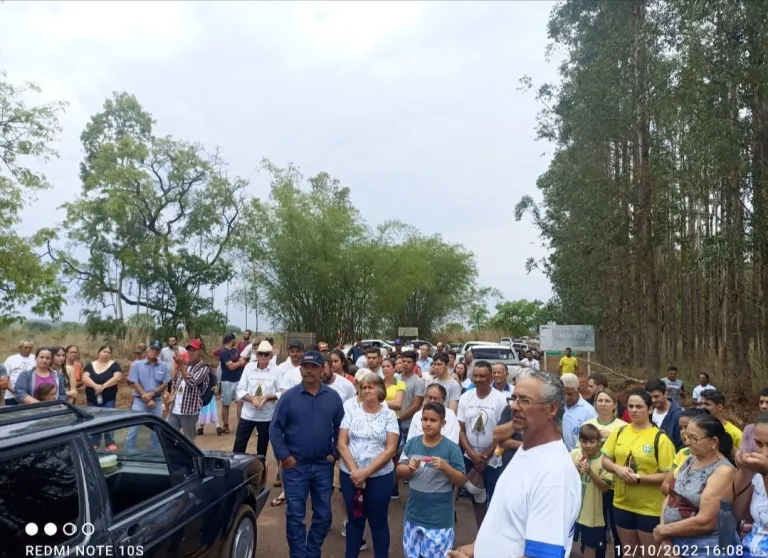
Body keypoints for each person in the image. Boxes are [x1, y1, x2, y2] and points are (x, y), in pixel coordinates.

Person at [448, 369, 582, 558]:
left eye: (525, 401)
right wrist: (476, 548)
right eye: (514, 399)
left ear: (551, 409)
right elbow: (509, 523)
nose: (514, 407)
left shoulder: (555, 476)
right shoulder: (526, 451)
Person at [269, 350, 344, 558]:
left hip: (323, 465)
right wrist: (285, 457)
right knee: (295, 516)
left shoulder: (333, 397)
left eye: (313, 367)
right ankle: (299, 555)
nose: (309, 371)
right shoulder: (288, 397)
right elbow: (275, 429)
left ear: (322, 370)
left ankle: (312, 552)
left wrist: (335, 453)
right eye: (305, 367)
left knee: (323, 515)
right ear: (300, 369)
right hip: (295, 466)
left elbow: (341, 428)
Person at [601, 389, 676, 556]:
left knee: (651, 554)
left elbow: (668, 475)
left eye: (639, 406)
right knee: (629, 552)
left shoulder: (660, 438)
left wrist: (639, 478)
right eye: (630, 406)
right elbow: (605, 459)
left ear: (649, 409)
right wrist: (617, 469)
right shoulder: (620, 432)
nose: (634, 410)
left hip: (650, 508)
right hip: (621, 503)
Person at [338, 373, 399, 558]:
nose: (366, 390)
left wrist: (365, 473)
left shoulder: (389, 415)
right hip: (351, 476)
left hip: (379, 477)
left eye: (370, 387)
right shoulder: (351, 411)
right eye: (364, 387)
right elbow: (342, 443)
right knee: (354, 520)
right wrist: (356, 472)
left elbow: (390, 450)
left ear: (380, 390)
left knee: (378, 521)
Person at [654, 413, 735, 552]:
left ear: (713, 442)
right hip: (674, 539)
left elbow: (706, 522)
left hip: (704, 547)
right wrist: (665, 536)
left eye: (693, 438)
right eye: (686, 436)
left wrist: (664, 531)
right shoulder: (689, 459)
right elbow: (671, 497)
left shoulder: (723, 471)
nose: (687, 442)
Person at [397, 402, 466, 558]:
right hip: (413, 516)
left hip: (439, 520)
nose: (427, 424)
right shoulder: (412, 443)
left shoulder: (451, 449)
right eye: (424, 419)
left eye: (433, 420)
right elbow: (399, 470)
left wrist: (446, 467)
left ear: (443, 423)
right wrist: (409, 469)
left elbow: (461, 480)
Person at [457, 361, 507, 527]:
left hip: (492, 460)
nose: (478, 379)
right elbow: (461, 429)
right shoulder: (465, 397)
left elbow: (502, 432)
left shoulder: (500, 400)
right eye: (475, 376)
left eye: (482, 376)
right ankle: (480, 534)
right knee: (476, 495)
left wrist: (485, 455)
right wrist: (472, 455)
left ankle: (493, 536)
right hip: (470, 457)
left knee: (494, 499)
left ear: (491, 377)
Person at [571, 424, 612, 558]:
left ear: (598, 441)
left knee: (590, 548)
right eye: (584, 441)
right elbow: (564, 479)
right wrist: (574, 470)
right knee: (568, 543)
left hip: (593, 515)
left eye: (592, 442)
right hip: (573, 511)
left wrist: (590, 472)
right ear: (579, 440)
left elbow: (605, 488)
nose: (588, 445)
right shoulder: (575, 454)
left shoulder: (604, 460)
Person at [234, 340, 280, 456]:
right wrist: (251, 399)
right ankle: (236, 472)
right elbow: (240, 389)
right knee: (238, 447)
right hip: (247, 414)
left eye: (266, 354)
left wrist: (268, 397)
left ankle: (261, 472)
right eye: (260, 353)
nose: (263, 356)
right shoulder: (249, 367)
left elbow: (281, 392)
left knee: (262, 449)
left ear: (271, 355)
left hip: (266, 416)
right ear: (256, 354)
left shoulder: (276, 370)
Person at [734, 413, 768, 556]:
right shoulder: (759, 473)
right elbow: (738, 513)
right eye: (759, 444)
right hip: (748, 549)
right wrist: (745, 472)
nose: (764, 452)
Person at [166, 339, 210, 442]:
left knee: (188, 441)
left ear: (200, 351)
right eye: (189, 350)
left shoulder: (204, 368)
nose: (191, 353)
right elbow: (175, 383)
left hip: (189, 411)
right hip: (175, 409)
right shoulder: (185, 366)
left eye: (194, 350)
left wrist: (180, 365)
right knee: (168, 438)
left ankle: (191, 458)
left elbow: (191, 382)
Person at [218, 332, 247, 435]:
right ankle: (225, 425)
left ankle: (240, 425)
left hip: (238, 380)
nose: (236, 341)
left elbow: (242, 361)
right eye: (235, 339)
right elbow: (231, 367)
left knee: (240, 402)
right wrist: (239, 363)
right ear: (232, 340)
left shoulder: (235, 351)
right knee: (226, 404)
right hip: (227, 381)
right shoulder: (224, 352)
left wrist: (237, 364)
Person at [561, 373, 597, 451]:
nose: (566, 397)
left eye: (570, 394)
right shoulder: (557, 408)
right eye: (563, 393)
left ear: (578, 389)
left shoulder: (589, 412)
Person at [645, 378, 684, 450]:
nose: (653, 400)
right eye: (650, 397)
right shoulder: (647, 412)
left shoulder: (678, 415)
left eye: (656, 396)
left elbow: (682, 445)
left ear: (665, 394)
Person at [3, 340, 35, 405]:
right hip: (11, 395)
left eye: (30, 348)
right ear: (20, 348)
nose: (28, 349)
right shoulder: (11, 359)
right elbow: (5, 377)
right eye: (26, 347)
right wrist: (14, 391)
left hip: (30, 396)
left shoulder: (35, 358)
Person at [741, 387, 768, 452]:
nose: (763, 406)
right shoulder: (749, 429)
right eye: (761, 402)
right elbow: (742, 454)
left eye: (767, 403)